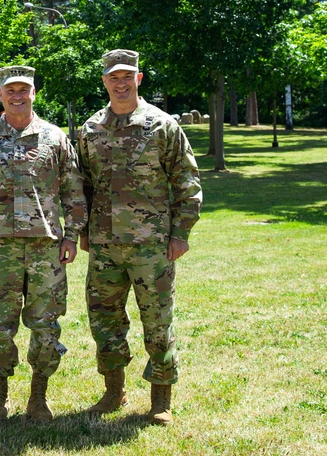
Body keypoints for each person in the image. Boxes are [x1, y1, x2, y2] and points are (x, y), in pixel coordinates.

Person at [77, 49, 202, 425]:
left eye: (127, 76)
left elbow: (187, 180)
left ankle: (160, 397)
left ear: (139, 79)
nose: (120, 83)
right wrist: (83, 231)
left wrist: (180, 233)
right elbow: (80, 184)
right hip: (104, 246)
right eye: (113, 77)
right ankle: (113, 391)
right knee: (104, 321)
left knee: (157, 322)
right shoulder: (90, 129)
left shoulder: (161, 125)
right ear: (104, 81)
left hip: (152, 244)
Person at [0, 65, 87, 422]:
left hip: (46, 247)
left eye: (24, 89)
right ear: (0, 95)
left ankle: (38, 396)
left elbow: (73, 190)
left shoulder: (55, 138)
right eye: (10, 90)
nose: (17, 95)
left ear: (34, 93)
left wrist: (72, 235)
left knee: (46, 325)